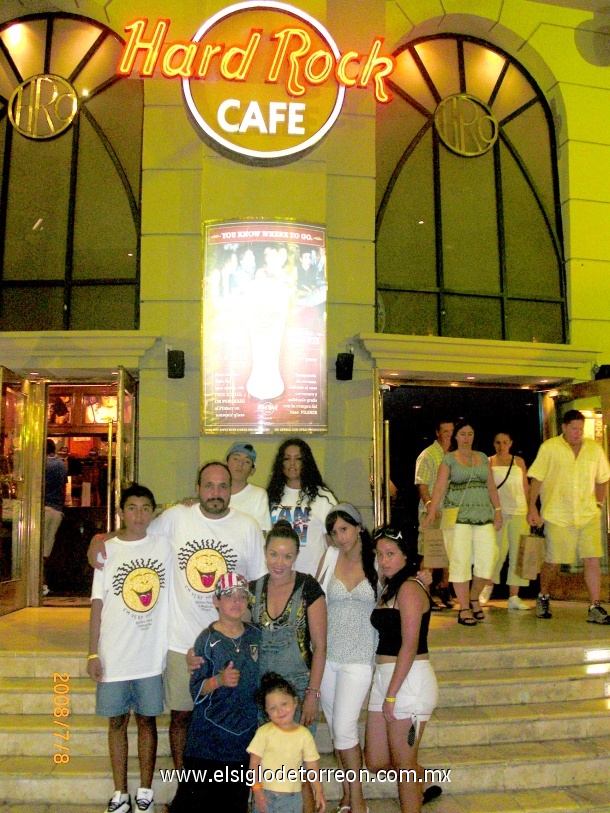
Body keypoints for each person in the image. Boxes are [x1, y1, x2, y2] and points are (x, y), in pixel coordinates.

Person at [88, 462, 266, 772]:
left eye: (222, 486)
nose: (215, 493)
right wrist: (100, 539)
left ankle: (226, 787)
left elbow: (259, 583)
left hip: (230, 642)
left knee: (229, 713)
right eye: (208, 486)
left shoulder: (247, 526)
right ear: (197, 489)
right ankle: (187, 788)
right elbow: (135, 531)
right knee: (182, 717)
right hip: (181, 643)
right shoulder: (175, 518)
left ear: (231, 490)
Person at [87, 484, 171, 813]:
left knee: (147, 723)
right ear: (121, 512)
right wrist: (93, 652)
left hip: (150, 657)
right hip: (114, 654)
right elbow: (97, 604)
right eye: (131, 508)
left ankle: (146, 790)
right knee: (117, 723)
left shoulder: (164, 545)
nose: (138, 514)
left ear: (153, 512)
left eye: (145, 508)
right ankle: (120, 792)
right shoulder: (107, 550)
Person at [251, 520, 327, 813]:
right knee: (268, 767)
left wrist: (312, 694)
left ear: (295, 557)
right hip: (263, 696)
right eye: (273, 554)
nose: (279, 562)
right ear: (265, 553)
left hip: (298, 692)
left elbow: (320, 646)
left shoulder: (309, 588)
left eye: (286, 556)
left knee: (301, 769)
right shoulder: (254, 588)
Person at [171, 573, 261, 813]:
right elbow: (197, 691)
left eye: (242, 597)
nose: (236, 602)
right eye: (229, 596)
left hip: (243, 739)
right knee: (197, 804)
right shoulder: (206, 640)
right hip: (208, 742)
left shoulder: (256, 636)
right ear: (216, 601)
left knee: (234, 803)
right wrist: (218, 680)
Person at [365, 526, 439, 813]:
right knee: (376, 760)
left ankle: (414, 792)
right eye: (380, 554)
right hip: (386, 678)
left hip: (408, 681)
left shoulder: (408, 588)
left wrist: (392, 694)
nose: (384, 560)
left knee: (404, 767)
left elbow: (409, 646)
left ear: (406, 556)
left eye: (391, 554)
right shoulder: (391, 586)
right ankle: (423, 777)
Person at [316, 504, 378, 813]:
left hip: (360, 657)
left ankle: (359, 803)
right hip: (327, 657)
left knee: (344, 729)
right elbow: (314, 602)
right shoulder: (329, 557)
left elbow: (397, 593)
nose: (340, 538)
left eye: (345, 529)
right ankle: (346, 794)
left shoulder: (377, 560)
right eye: (334, 532)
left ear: (358, 527)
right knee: (335, 728)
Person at [527, 409, 610, 622]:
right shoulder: (550, 448)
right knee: (554, 561)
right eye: (573, 428)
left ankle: (594, 606)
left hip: (588, 514)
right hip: (557, 515)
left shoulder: (594, 449)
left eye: (580, 429)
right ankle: (543, 595)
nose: (577, 433)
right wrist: (532, 508)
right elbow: (536, 479)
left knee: (592, 559)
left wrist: (599, 504)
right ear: (563, 427)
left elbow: (603, 478)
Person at [422, 419, 503, 626]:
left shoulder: (483, 458)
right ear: (455, 437)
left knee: (488, 558)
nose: (467, 438)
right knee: (460, 560)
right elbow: (439, 488)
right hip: (456, 516)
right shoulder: (449, 459)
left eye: (470, 434)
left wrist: (498, 511)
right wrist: (431, 511)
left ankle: (474, 597)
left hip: (483, 515)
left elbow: (491, 487)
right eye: (463, 434)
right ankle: (465, 606)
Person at [248, 671, 326, 813]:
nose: (280, 711)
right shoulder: (263, 733)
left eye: (284, 704)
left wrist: (319, 791)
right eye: (273, 708)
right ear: (267, 711)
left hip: (292, 799)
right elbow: (254, 765)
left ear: (295, 701)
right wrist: (257, 790)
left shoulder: (304, 735)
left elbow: (312, 767)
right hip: (266, 796)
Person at [267, 438, 337, 576]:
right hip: (278, 578)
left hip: (314, 579)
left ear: (306, 463)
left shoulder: (323, 497)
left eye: (298, 459)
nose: (292, 464)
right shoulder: (269, 497)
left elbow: (334, 543)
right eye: (287, 459)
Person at [479, 432, 531, 611]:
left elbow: (525, 486)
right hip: (498, 513)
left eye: (505, 442)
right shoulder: (488, 461)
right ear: (494, 444)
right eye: (498, 442)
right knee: (495, 553)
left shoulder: (519, 462)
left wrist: (532, 510)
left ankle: (514, 596)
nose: (501, 446)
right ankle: (487, 586)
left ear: (511, 443)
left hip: (519, 512)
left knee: (518, 554)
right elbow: (485, 489)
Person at [414, 419, 455, 609]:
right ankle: (425, 594)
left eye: (451, 430)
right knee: (429, 553)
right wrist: (431, 506)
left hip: (450, 512)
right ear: (437, 432)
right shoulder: (428, 454)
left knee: (449, 553)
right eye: (445, 430)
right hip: (432, 512)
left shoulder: (452, 455)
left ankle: (444, 588)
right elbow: (421, 484)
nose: (448, 433)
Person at [226, 442, 271, 532]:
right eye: (236, 459)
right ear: (225, 463)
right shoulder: (215, 491)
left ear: (252, 471)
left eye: (247, 461)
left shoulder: (258, 495)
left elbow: (260, 533)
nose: (240, 464)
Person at [43, 438, 67, 596]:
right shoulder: (62, 464)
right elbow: (64, 487)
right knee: (47, 550)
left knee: (37, 549)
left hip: (43, 508)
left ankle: (41, 583)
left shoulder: (41, 463)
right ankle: (44, 584)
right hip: (57, 510)